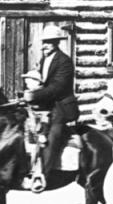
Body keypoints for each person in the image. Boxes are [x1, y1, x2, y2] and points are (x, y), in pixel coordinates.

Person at [23, 26, 80, 186]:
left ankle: (42, 176)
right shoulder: (44, 59)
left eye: (47, 43)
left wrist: (34, 95)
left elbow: (58, 87)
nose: (43, 46)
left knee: (51, 136)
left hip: (62, 106)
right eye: (43, 43)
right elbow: (42, 82)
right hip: (47, 103)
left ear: (56, 43)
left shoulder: (65, 61)